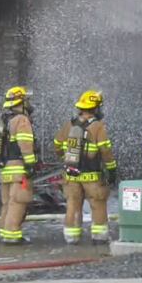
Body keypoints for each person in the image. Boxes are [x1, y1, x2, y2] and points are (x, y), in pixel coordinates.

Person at [53, 90, 117, 244]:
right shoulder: (98, 127)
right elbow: (105, 150)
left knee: (73, 205)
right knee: (97, 204)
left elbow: (57, 145)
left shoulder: (69, 124)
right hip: (92, 176)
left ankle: (72, 237)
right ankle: (99, 238)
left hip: (71, 176)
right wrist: (111, 169)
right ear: (95, 108)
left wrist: (66, 158)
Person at [0, 86, 38, 244]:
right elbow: (25, 143)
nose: (29, 103)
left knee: (7, 203)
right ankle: (13, 236)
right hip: (19, 168)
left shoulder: (4, 120)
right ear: (22, 101)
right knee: (18, 201)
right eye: (27, 99)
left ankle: (5, 233)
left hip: (5, 169)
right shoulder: (21, 119)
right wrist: (31, 163)